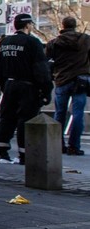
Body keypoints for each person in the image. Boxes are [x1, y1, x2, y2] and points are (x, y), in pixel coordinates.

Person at [0, 13, 53, 164]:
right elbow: (40, 68)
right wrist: (46, 89)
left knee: (7, 118)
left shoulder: (5, 42)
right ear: (28, 25)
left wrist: (3, 85)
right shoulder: (32, 42)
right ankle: (25, 154)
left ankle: (1, 150)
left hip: (9, 85)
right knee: (26, 119)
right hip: (28, 86)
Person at [46, 16, 90, 156]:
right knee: (78, 113)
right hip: (80, 79)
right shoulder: (85, 39)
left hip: (62, 79)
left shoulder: (54, 43)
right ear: (75, 25)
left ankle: (58, 144)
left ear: (62, 26)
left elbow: (47, 60)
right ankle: (74, 146)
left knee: (60, 113)